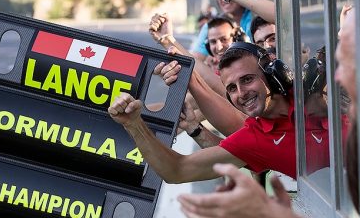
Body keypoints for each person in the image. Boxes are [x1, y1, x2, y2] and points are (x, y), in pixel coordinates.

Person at [176, 5, 360, 218]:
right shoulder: (260, 128)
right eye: (264, 41)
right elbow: (231, 131)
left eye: (277, 40)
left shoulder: (318, 88)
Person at [108, 40, 331, 182]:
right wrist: (134, 124)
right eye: (232, 88)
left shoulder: (312, 88)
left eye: (248, 79)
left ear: (273, 74)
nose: (241, 93)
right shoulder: (254, 138)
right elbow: (177, 170)